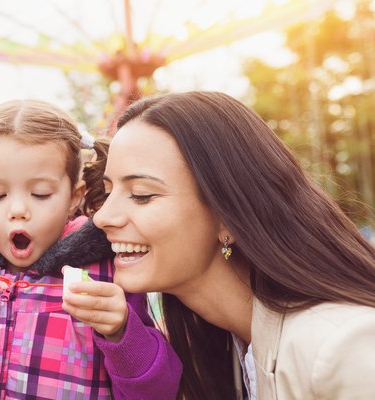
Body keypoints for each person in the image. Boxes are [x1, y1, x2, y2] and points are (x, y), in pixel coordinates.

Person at [86, 91, 375, 399]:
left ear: (227, 216)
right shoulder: (223, 353)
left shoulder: (342, 348)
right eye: (108, 191)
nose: (103, 217)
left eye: (142, 194)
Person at [0, 99, 182, 399]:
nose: (18, 210)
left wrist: (122, 332)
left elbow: (160, 391)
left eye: (40, 193)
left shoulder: (109, 277)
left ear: (75, 196)